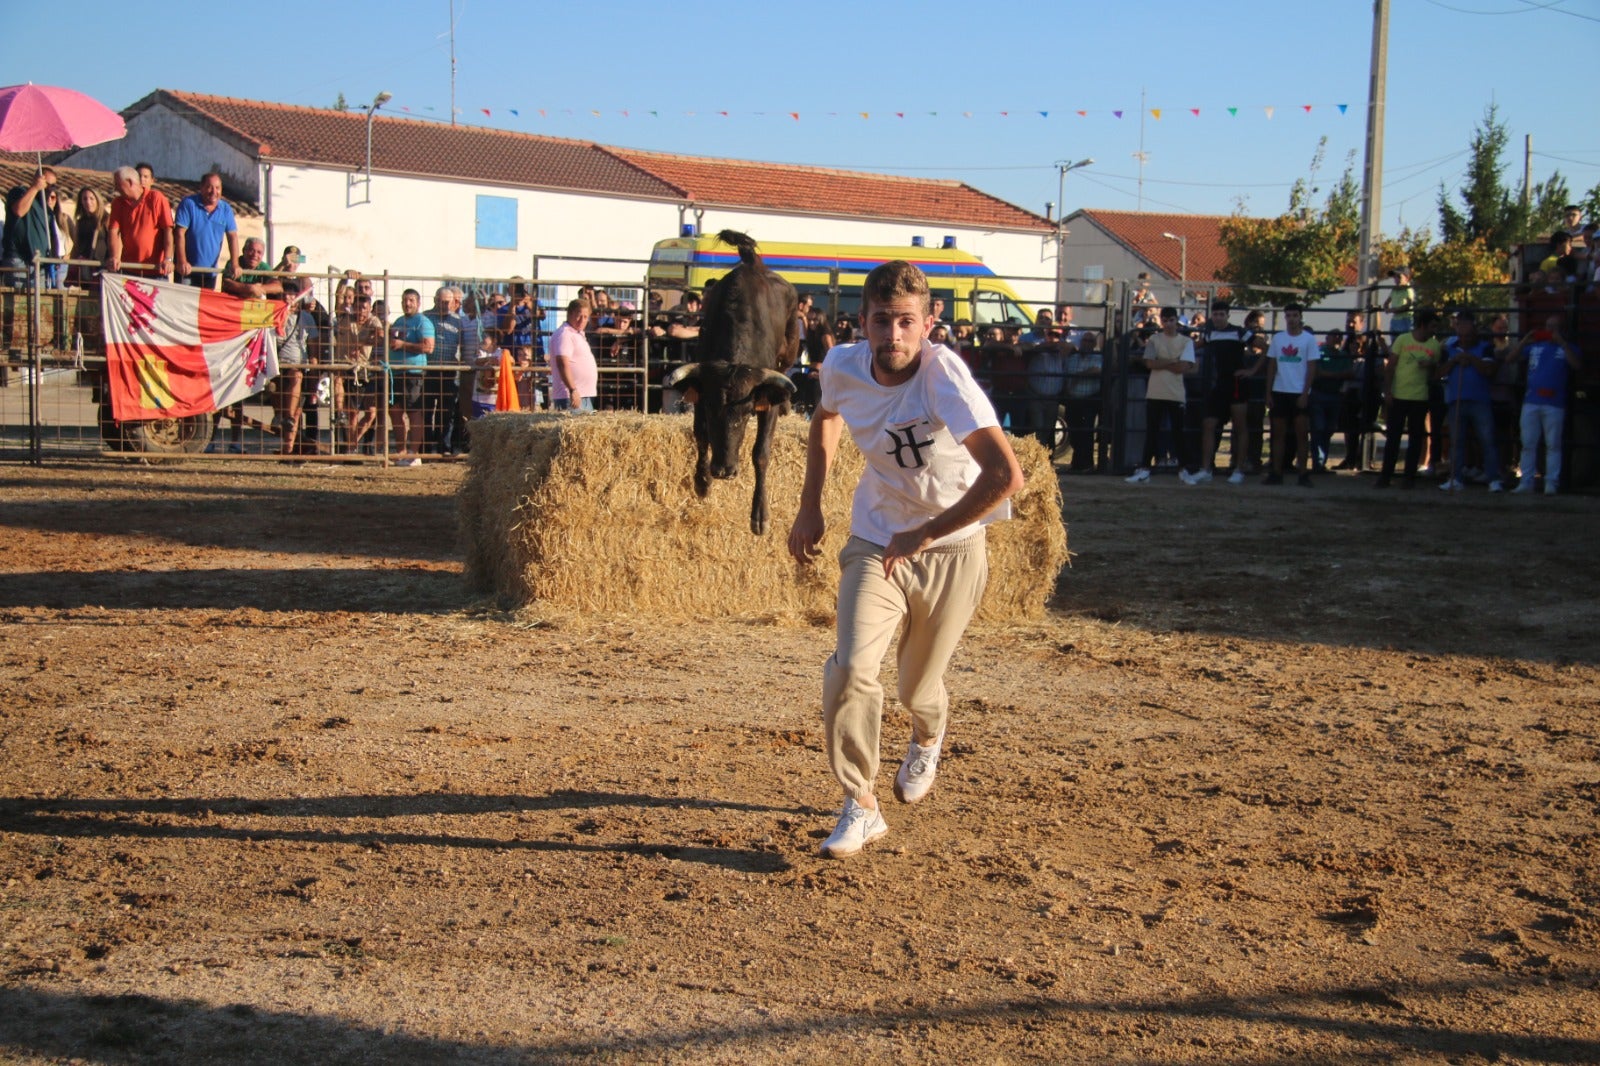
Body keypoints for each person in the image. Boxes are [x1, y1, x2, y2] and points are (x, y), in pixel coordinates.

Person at [787, 259, 1024, 860]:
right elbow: (825, 421)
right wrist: (810, 505)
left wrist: (926, 533)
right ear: (861, 322)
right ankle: (860, 803)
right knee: (850, 668)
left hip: (952, 546)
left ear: (928, 322)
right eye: (880, 322)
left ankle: (927, 732)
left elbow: (1006, 475)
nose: (893, 336)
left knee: (917, 684)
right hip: (875, 538)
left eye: (905, 322)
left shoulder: (945, 377)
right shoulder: (840, 365)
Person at [1125, 307, 1203, 484]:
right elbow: (1150, 363)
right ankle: (1145, 468)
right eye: (1165, 320)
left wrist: (1163, 363)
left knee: (1178, 433)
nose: (1168, 324)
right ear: (1161, 321)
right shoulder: (1154, 339)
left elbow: (1183, 367)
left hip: (1175, 393)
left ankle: (1183, 469)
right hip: (1155, 392)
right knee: (1152, 432)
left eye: (1171, 320)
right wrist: (1173, 361)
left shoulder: (1185, 342)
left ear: (1176, 321)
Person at [1508, 314, 1581, 495]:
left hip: (1554, 403)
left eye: (1554, 327)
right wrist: (1525, 340)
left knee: (1553, 444)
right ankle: (1526, 482)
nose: (1550, 331)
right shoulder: (1534, 346)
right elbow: (1510, 359)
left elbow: (1576, 365)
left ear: (1562, 330)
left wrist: (1562, 343)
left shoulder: (1569, 348)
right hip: (1531, 400)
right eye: (1548, 327)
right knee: (1528, 443)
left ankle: (1551, 483)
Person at [1438, 310, 1503, 493]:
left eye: (1467, 329)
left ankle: (1493, 478)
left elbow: (1490, 371)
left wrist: (1471, 359)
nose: (1463, 335)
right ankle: (1455, 477)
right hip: (1455, 399)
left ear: (1474, 328)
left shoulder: (1485, 347)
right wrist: (1454, 361)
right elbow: (1438, 373)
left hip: (1479, 400)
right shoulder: (1449, 348)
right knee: (1456, 441)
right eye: (1460, 329)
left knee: (1487, 440)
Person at [1376, 310, 1442, 488]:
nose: (1434, 330)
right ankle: (1386, 475)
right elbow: (1391, 367)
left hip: (1420, 396)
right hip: (1399, 395)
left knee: (1415, 438)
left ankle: (1409, 476)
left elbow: (1438, 373)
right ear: (1423, 325)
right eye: (1433, 326)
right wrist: (1388, 391)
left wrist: (1432, 365)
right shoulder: (1403, 340)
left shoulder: (1434, 346)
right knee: (1393, 437)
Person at [1196, 300, 1254, 483]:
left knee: (1239, 426)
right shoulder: (1210, 333)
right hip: (1218, 384)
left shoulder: (1239, 332)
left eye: (1222, 314)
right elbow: (1195, 346)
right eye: (1215, 314)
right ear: (1211, 316)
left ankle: (1238, 469)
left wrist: (1252, 371)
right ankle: (1205, 469)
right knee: (1208, 424)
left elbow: (1264, 346)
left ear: (1228, 315)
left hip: (1237, 383)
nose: (1218, 317)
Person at [1262, 303, 1318, 487]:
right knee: (1278, 434)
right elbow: (1272, 365)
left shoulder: (1308, 340)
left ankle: (1303, 473)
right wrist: (1268, 391)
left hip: (1298, 392)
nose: (1292, 319)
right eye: (1288, 315)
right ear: (1285, 317)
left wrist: (1305, 393)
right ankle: (1276, 472)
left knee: (1302, 435)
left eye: (1295, 315)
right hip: (1280, 391)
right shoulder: (1278, 339)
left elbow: (1311, 368)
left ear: (1300, 317)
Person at [388, 288, 435, 464]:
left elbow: (429, 347)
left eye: (411, 300)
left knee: (414, 412)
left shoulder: (423, 322)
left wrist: (403, 345)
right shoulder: (399, 321)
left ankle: (414, 453)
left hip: (414, 373)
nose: (407, 304)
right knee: (395, 412)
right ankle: (401, 451)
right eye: (404, 300)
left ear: (418, 303)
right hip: (396, 373)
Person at [173, 172, 239, 290]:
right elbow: (179, 233)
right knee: (185, 306)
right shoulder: (189, 204)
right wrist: (182, 261)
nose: (214, 191)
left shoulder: (226, 209)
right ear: (201, 188)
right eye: (209, 187)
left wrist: (235, 263)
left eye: (217, 188)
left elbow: (232, 236)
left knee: (204, 307)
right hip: (187, 270)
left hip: (210, 272)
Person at [107, 165, 173, 278]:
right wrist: (114, 256)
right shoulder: (117, 203)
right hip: (129, 269)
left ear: (130, 182)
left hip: (155, 270)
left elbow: (168, 230)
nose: (116, 188)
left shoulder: (156, 198)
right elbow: (113, 231)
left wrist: (168, 259)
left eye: (118, 184)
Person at [423, 286, 465, 453]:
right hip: (428, 369)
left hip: (449, 371)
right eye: (441, 302)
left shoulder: (457, 321)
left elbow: (463, 345)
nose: (444, 305)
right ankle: (425, 447)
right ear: (435, 300)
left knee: (445, 411)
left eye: (447, 302)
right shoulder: (425, 317)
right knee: (426, 410)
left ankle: (443, 446)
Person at [2, 167, 61, 278]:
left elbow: (52, 236)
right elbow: (19, 211)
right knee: (19, 295)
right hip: (18, 260)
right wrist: (35, 188)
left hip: (40, 264)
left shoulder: (47, 210)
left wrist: (54, 258)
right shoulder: (19, 193)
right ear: (37, 179)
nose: (48, 188)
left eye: (52, 186)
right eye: (46, 184)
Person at [1061, 330, 1103, 473]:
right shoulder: (1072, 359)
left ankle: (1087, 464)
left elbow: (1097, 370)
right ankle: (1077, 463)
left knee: (1086, 433)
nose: (1086, 344)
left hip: (1088, 400)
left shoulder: (1098, 357)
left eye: (1090, 341)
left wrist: (1078, 377)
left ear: (1094, 344)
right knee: (1074, 434)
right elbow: (1066, 376)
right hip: (1073, 401)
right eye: (1084, 341)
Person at [548, 299, 598, 412]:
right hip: (570, 397)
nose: (582, 320)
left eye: (586, 317)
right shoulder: (565, 334)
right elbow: (562, 363)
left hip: (583, 395)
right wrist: (573, 390)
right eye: (579, 316)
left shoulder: (577, 334)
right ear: (570, 314)